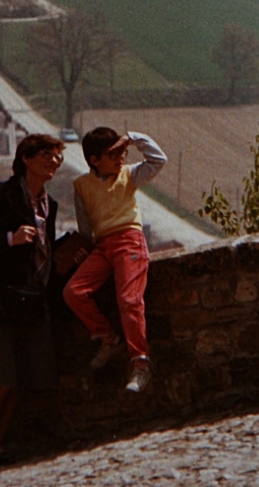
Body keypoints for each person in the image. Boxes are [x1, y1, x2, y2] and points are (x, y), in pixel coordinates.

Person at [0, 133, 65, 471]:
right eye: (47, 157)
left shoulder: (48, 206)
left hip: (33, 297)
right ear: (26, 157)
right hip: (2, 296)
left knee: (19, 378)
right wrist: (9, 239)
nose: (53, 163)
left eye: (57, 160)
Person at [63, 127, 166, 393]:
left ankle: (140, 364)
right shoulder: (82, 185)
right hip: (102, 246)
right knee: (73, 292)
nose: (121, 157)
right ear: (94, 160)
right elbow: (85, 225)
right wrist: (84, 248)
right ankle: (108, 338)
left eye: (123, 152)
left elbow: (158, 160)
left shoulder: (129, 175)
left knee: (129, 300)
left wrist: (133, 137)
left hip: (129, 240)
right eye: (113, 154)